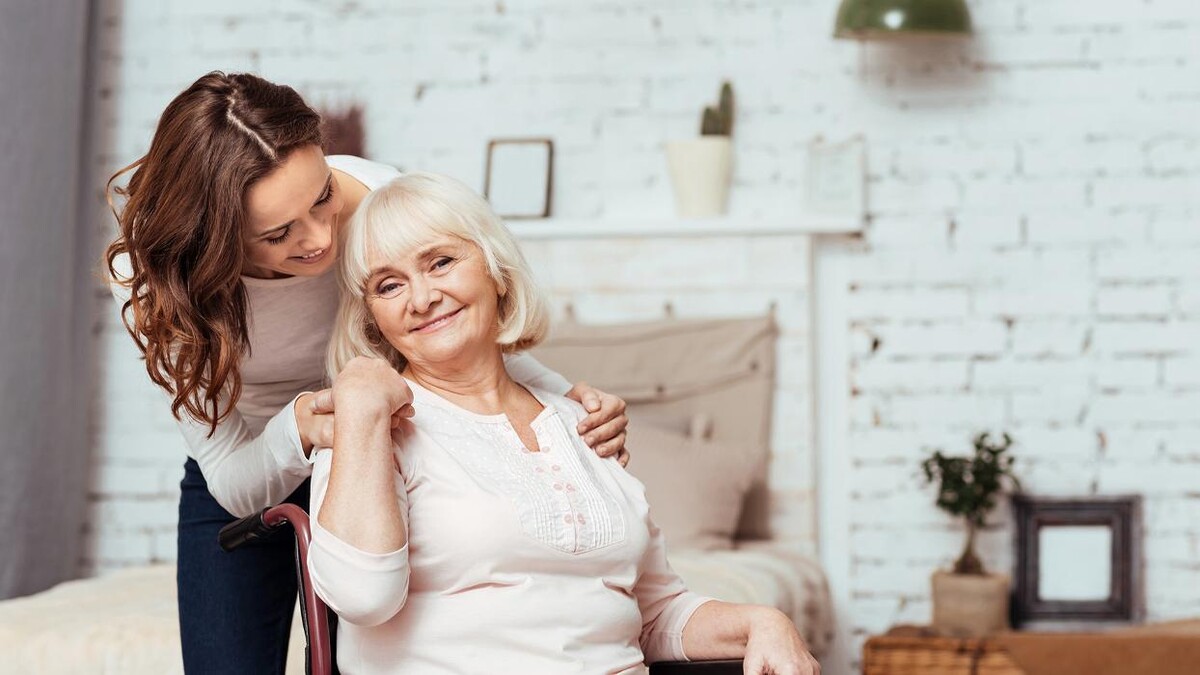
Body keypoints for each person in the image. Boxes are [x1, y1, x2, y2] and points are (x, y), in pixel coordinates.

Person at [104, 71, 631, 674]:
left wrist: (567, 405)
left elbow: (458, 330)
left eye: (324, 196)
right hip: (253, 459)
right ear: (215, 239)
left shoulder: (386, 200)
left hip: (381, 448)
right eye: (279, 235)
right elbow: (230, 476)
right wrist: (296, 430)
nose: (322, 238)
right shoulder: (169, 283)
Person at [310, 173, 820, 674]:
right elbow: (361, 596)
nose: (421, 299)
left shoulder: (581, 424)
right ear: (371, 315)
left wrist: (763, 622)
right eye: (389, 285)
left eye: (441, 263)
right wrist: (361, 411)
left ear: (496, 270)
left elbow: (655, 611)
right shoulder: (367, 429)